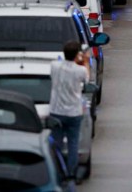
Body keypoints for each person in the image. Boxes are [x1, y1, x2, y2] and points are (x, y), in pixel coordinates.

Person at [49, 40, 90, 186]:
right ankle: (71, 173)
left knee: (56, 144)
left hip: (56, 112)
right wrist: (84, 60)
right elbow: (87, 78)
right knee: (73, 145)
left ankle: (57, 172)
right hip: (73, 113)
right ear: (77, 54)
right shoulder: (80, 70)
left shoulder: (54, 66)